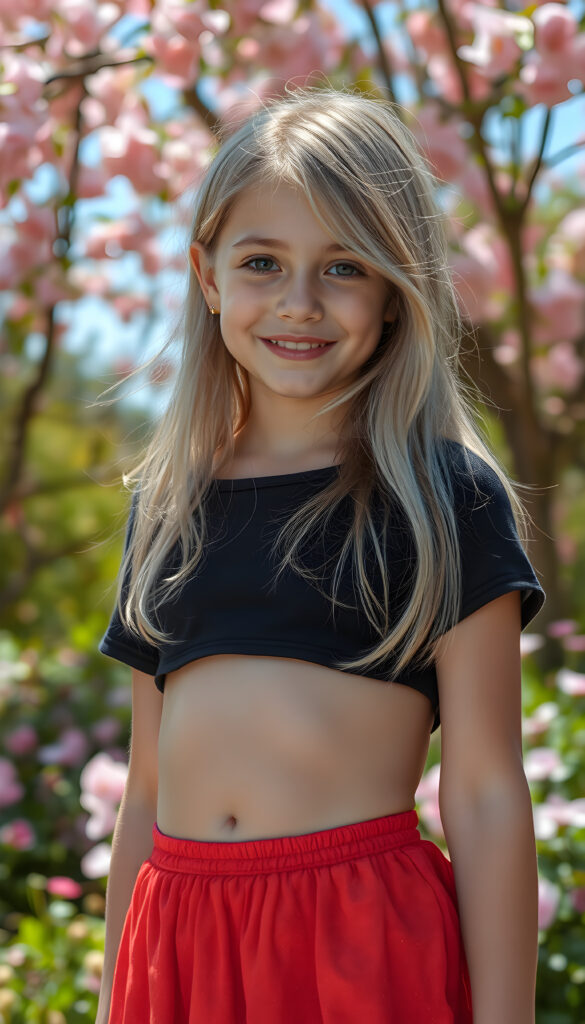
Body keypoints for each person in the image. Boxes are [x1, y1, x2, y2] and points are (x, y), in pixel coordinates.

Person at [95, 86, 545, 1024]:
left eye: (344, 266)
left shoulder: (443, 498)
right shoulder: (167, 506)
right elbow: (145, 789)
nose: (298, 303)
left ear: (394, 292)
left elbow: (485, 793)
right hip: (181, 943)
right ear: (207, 276)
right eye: (262, 262)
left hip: (355, 939)